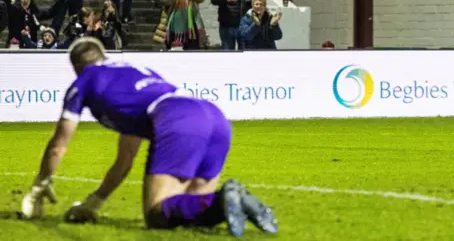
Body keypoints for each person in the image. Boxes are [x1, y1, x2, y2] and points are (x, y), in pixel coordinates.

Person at [20, 37, 278, 236]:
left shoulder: (84, 81)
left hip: (177, 118)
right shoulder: (134, 71)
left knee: (156, 214)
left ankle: (223, 198)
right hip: (214, 117)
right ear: (103, 56)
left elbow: (58, 145)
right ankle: (225, 200)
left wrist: (39, 184)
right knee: (191, 207)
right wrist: (94, 203)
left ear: (77, 67)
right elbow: (125, 159)